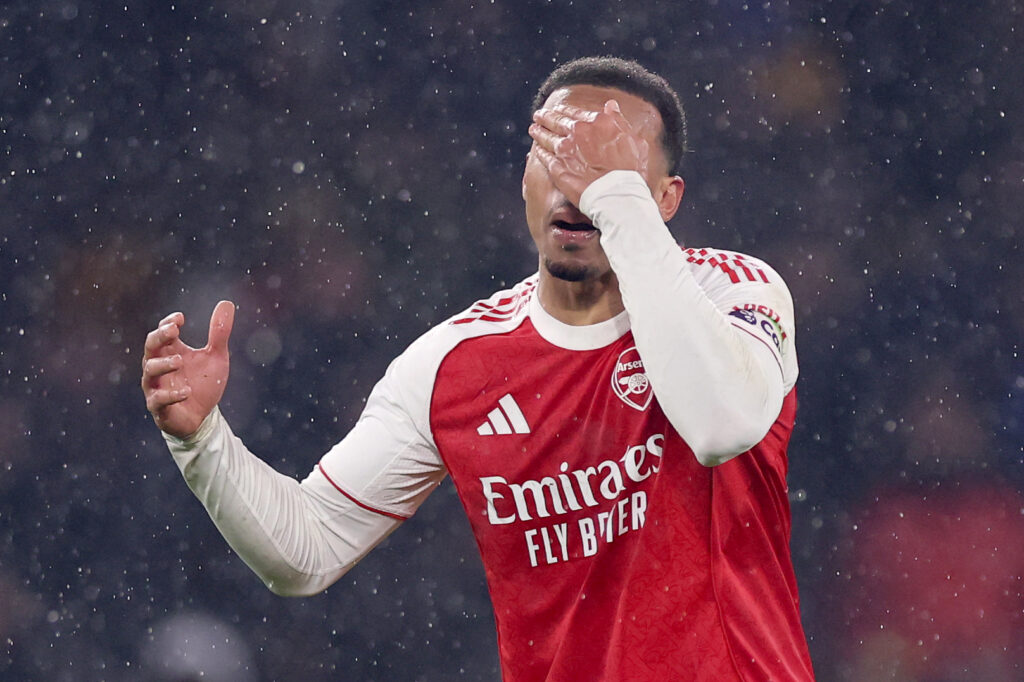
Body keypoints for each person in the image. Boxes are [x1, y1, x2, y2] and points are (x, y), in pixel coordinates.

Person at [141, 57, 815, 681]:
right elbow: (308, 550)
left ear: (664, 200)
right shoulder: (450, 364)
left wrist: (619, 203)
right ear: (525, 179)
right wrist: (200, 442)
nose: (579, 187)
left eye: (608, 167)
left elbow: (720, 424)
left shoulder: (734, 293)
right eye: (559, 158)